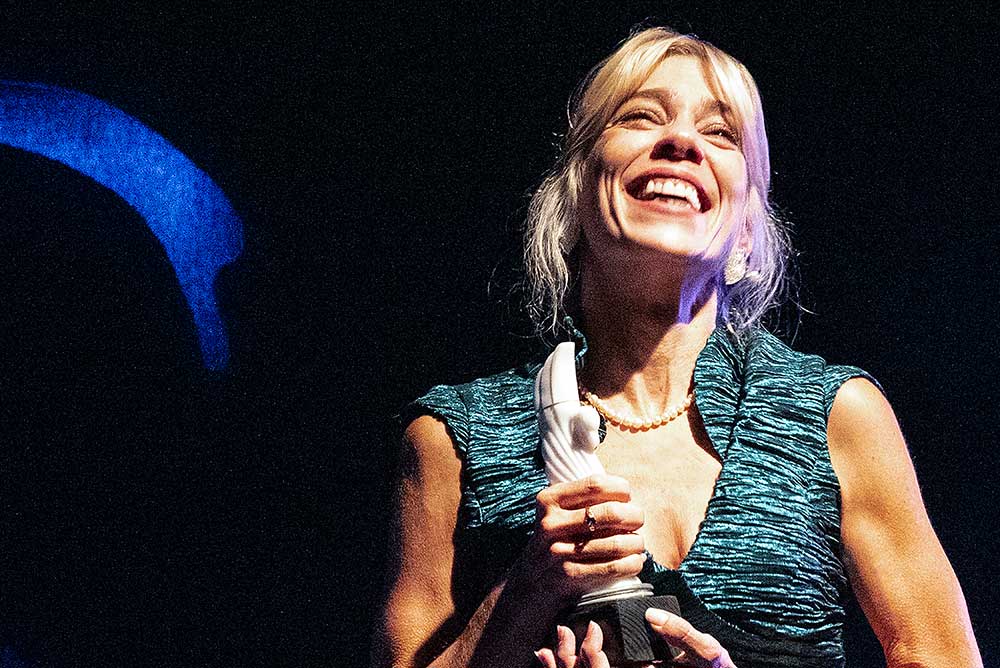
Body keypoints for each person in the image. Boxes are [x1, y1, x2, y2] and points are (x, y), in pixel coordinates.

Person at [372, 27, 982, 668]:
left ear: (746, 227)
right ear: (574, 193)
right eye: (641, 116)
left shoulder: (835, 415)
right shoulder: (456, 437)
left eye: (720, 133)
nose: (682, 142)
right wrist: (523, 596)